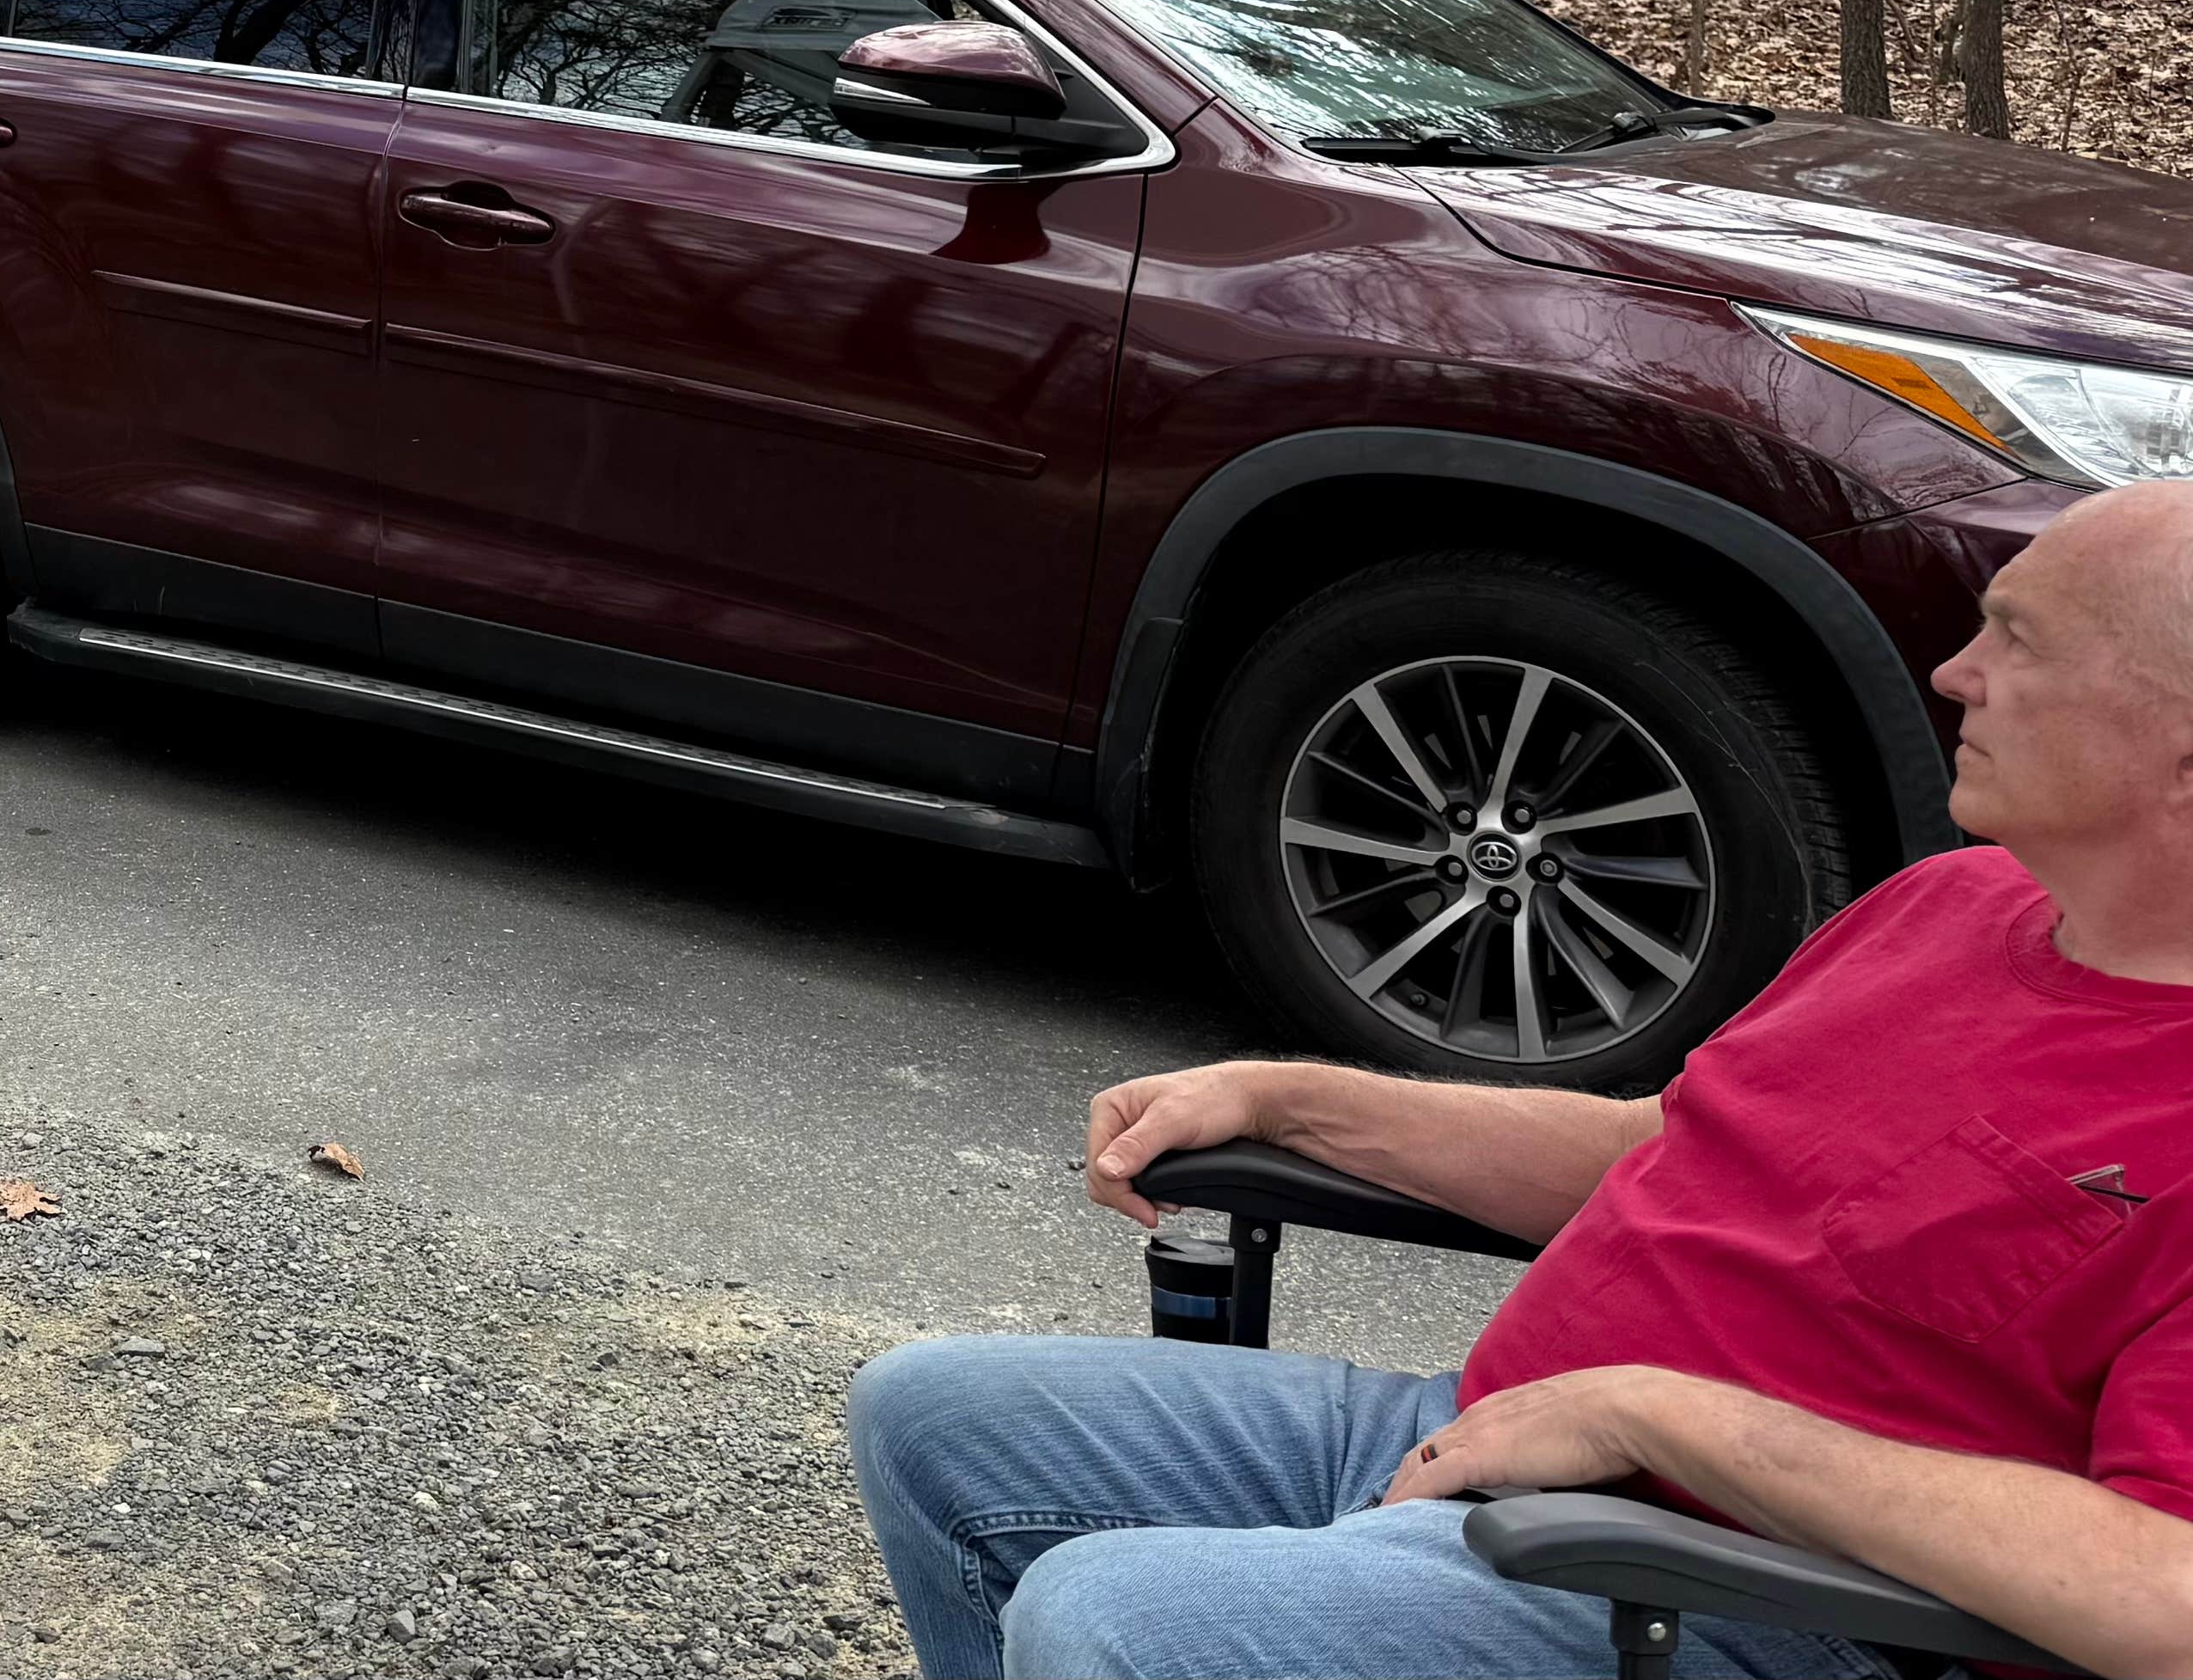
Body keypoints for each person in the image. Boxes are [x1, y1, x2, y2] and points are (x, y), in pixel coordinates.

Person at [848, 480, 2193, 1680]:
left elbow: (2166, 1597)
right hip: (1491, 1439)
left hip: (1765, 1599)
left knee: (1119, 1614)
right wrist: (1292, 1099)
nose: (1954, 673)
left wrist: (1653, 1412)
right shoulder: (1953, 905)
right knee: (938, 1417)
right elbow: (1676, 1148)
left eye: (2018, 640)